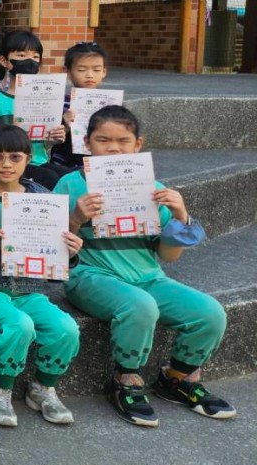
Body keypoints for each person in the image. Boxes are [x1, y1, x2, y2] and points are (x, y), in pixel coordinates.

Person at [57, 105, 234, 426]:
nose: (113, 148)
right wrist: (76, 218)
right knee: (141, 305)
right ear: (86, 142)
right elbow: (52, 250)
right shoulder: (70, 185)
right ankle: (125, 379)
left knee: (210, 312)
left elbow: (168, 256)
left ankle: (177, 378)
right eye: (103, 140)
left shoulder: (153, 189)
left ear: (138, 144)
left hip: (148, 276)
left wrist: (180, 215)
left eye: (123, 141)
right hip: (89, 275)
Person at [0, 124, 83, 427]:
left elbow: (55, 256)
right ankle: (0, 388)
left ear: (28, 158)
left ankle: (43, 386)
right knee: (20, 325)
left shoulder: (44, 199)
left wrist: (70, 250)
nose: (6, 164)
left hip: (28, 289)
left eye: (15, 157)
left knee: (66, 328)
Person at [0, 30, 70, 188]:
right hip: (8, 165)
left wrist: (54, 138)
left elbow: (43, 146)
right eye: (21, 55)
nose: (29, 61)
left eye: (35, 57)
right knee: (51, 178)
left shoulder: (46, 97)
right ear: (4, 61)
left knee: (68, 178)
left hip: (38, 161)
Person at [52, 40, 111, 172]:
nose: (89, 75)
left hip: (100, 166)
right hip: (63, 166)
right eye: (81, 70)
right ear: (67, 71)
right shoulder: (58, 103)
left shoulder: (112, 104)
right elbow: (50, 141)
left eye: (96, 70)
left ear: (104, 72)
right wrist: (65, 125)